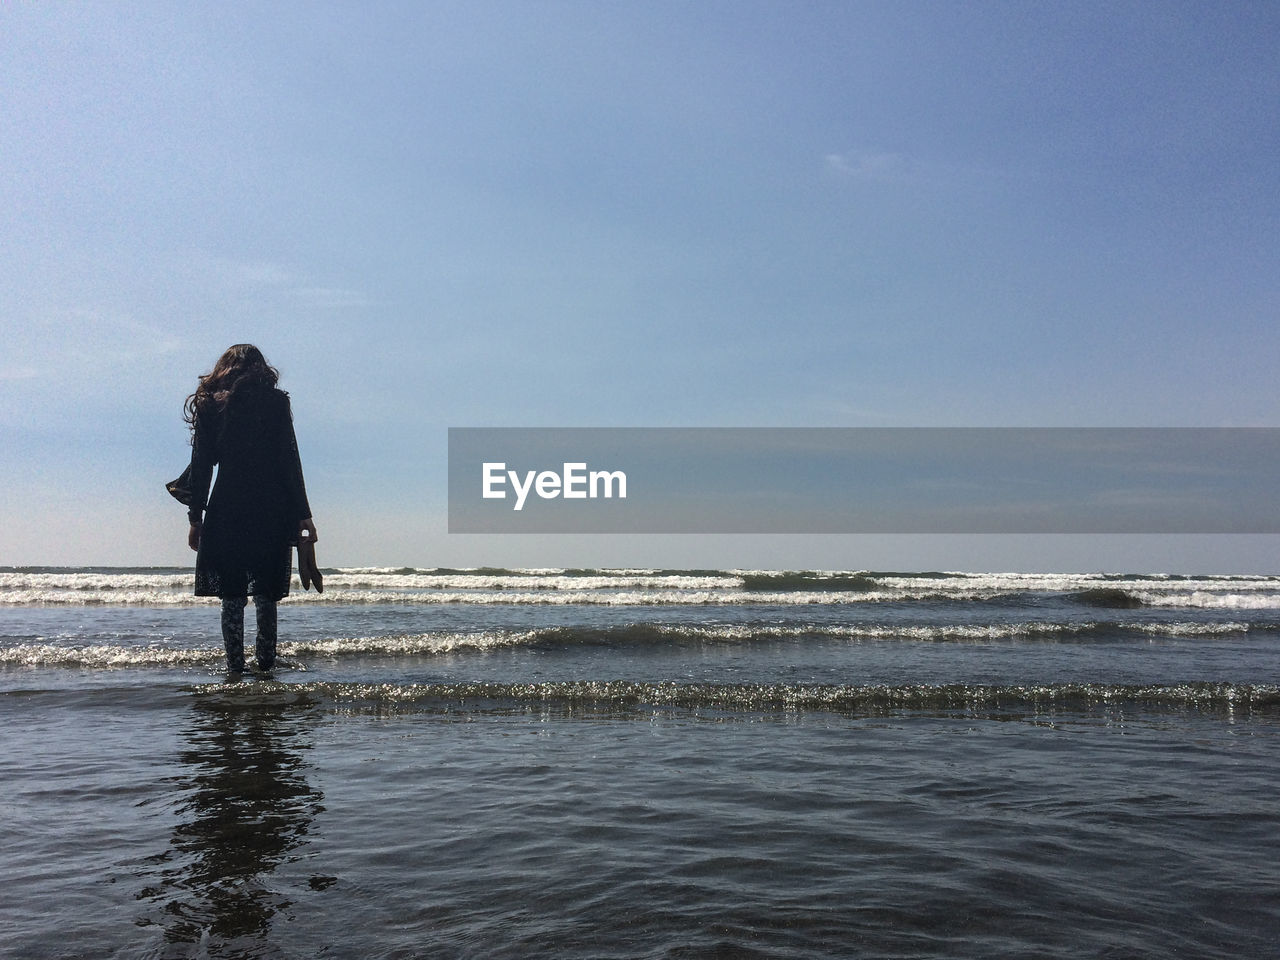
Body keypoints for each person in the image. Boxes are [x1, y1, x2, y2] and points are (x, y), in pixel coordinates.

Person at [183, 344, 317, 674]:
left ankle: (234, 669)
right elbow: (289, 461)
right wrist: (304, 514)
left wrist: (195, 517)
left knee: (232, 594)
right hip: (271, 506)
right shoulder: (275, 402)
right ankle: (266, 666)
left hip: (227, 505)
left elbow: (201, 465)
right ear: (261, 369)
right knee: (265, 592)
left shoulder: (210, 404)